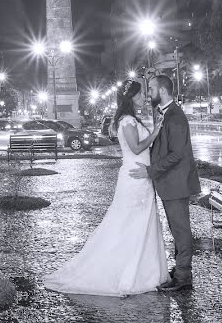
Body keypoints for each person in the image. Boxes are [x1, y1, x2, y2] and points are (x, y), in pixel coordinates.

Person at [43, 78, 168, 296]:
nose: (143, 98)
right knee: (128, 225)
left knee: (140, 224)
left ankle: (145, 271)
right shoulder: (127, 121)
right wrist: (156, 131)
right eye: (139, 95)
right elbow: (136, 148)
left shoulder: (131, 119)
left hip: (141, 178)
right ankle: (127, 273)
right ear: (130, 98)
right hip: (134, 179)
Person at [130, 74, 200, 292]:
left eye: (150, 88)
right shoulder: (165, 113)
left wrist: (151, 171)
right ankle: (180, 270)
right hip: (170, 183)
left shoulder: (175, 116)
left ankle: (183, 277)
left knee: (181, 231)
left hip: (176, 183)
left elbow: (177, 154)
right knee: (176, 229)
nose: (148, 93)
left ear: (162, 90)